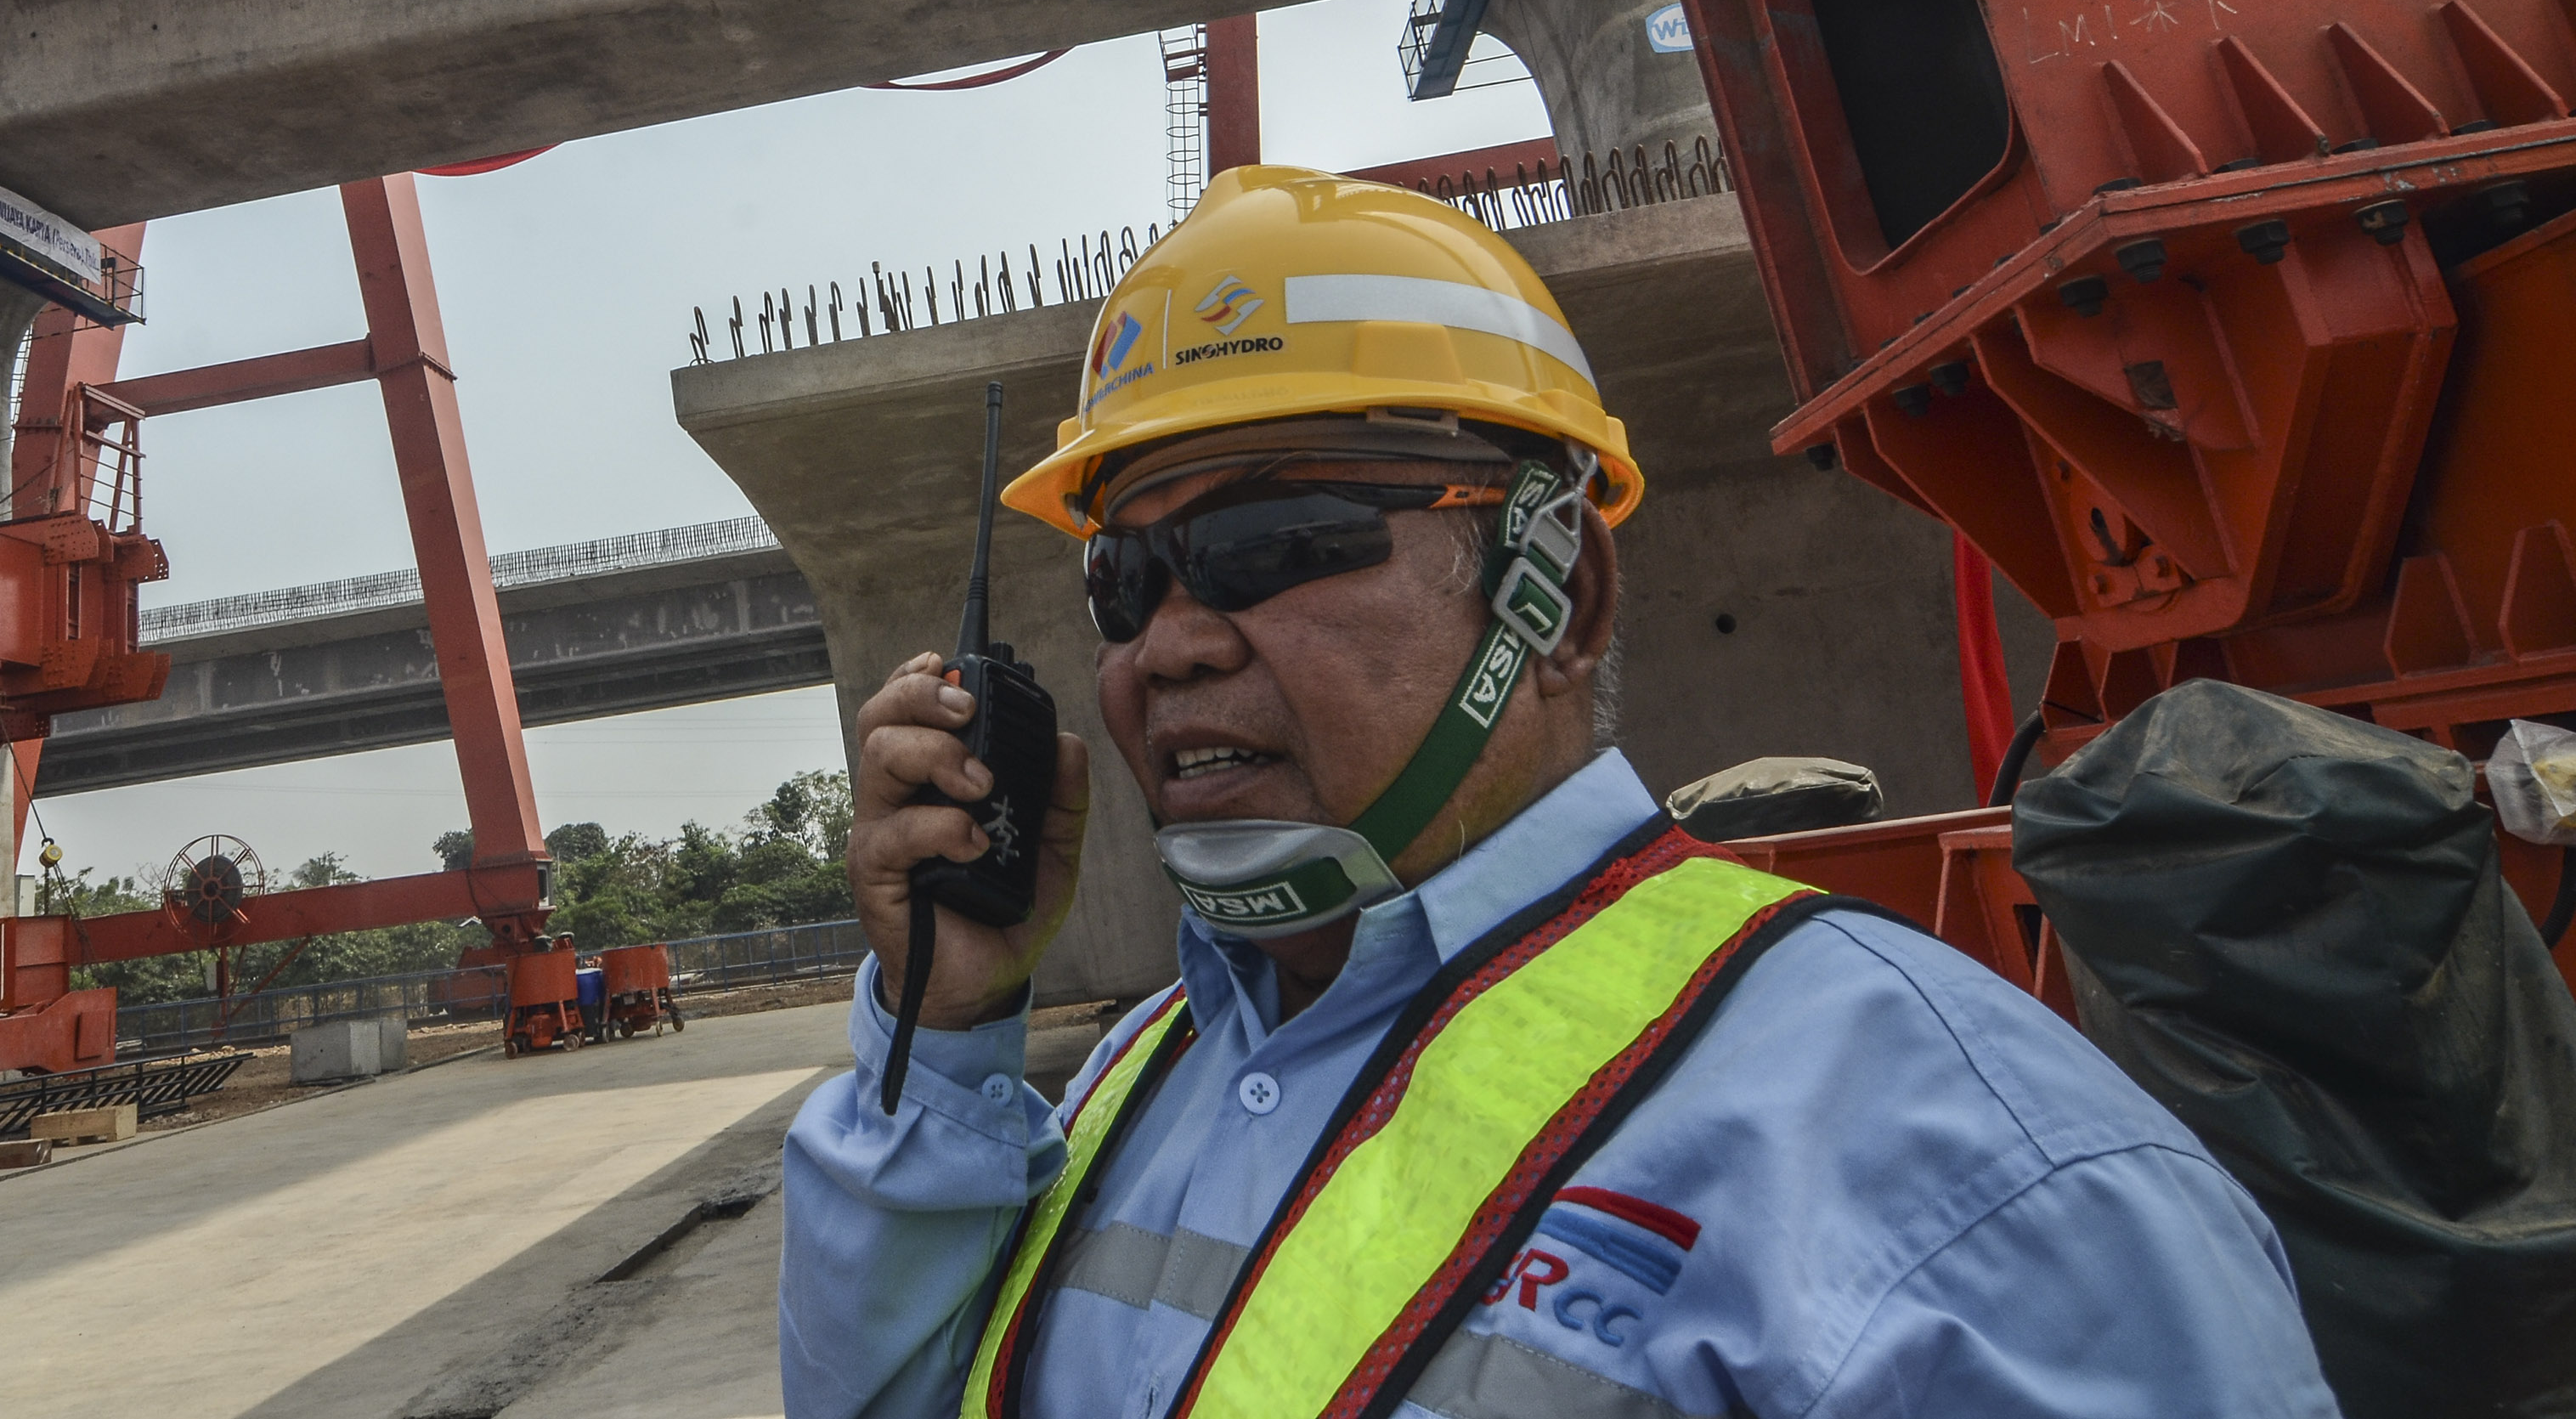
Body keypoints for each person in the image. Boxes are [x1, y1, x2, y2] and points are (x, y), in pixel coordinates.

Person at [779, 166, 2336, 1418]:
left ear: (1557, 592)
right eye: (1127, 579)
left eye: (1271, 542)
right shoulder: (1136, 1077)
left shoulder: (1964, 1165)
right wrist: (947, 1035)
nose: (1171, 644)